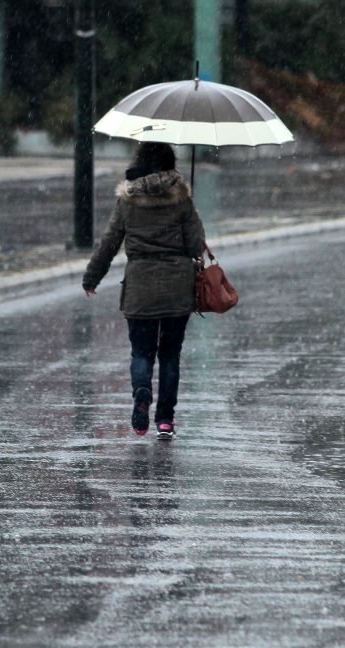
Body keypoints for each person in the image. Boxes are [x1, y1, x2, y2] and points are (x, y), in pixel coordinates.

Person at [82, 142, 206, 439]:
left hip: (140, 286)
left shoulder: (128, 198)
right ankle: (165, 420)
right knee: (171, 355)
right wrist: (189, 208)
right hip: (177, 285)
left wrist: (92, 278)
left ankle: (141, 392)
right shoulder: (181, 197)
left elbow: (109, 242)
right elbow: (195, 244)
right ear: (169, 163)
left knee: (142, 353)